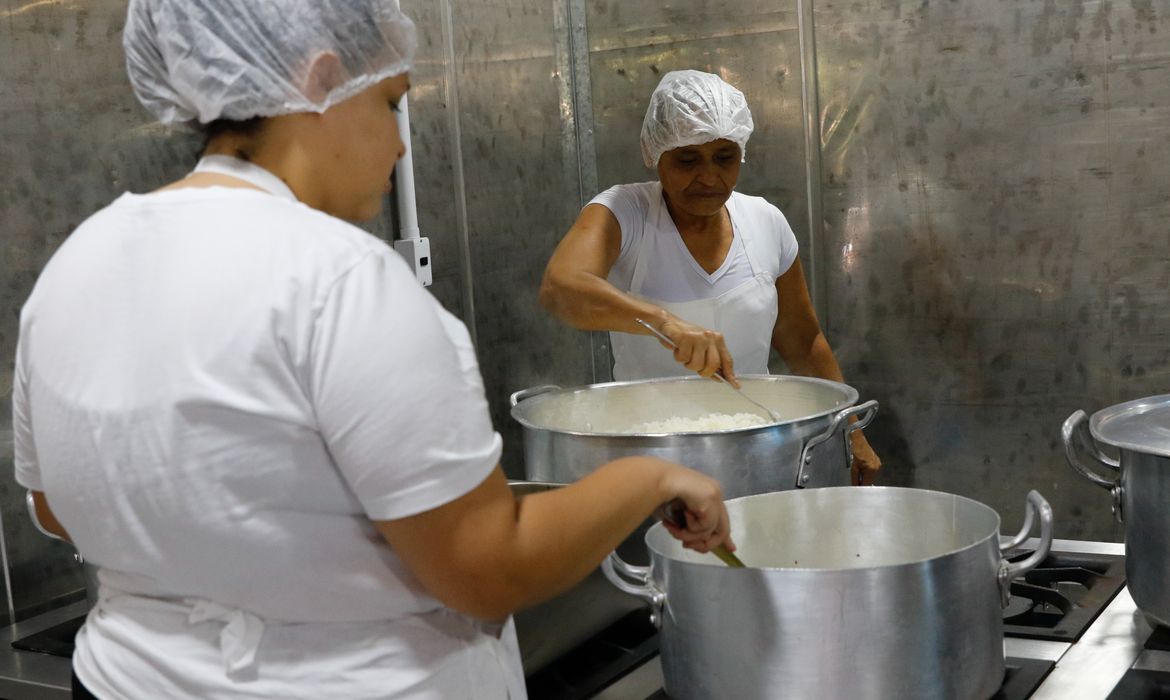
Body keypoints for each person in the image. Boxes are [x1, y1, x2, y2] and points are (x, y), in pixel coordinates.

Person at [13, 4, 733, 698]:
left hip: (120, 680)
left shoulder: (79, 261)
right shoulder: (344, 281)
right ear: (320, 81)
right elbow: (487, 568)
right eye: (391, 102)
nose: (398, 143)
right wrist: (651, 477)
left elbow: (54, 506)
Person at [540, 69, 881, 485]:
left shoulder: (765, 221)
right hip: (650, 454)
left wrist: (852, 432)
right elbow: (562, 288)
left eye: (725, 158)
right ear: (655, 153)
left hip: (757, 449)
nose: (708, 177)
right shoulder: (624, 213)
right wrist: (665, 323)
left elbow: (803, 340)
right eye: (687, 159)